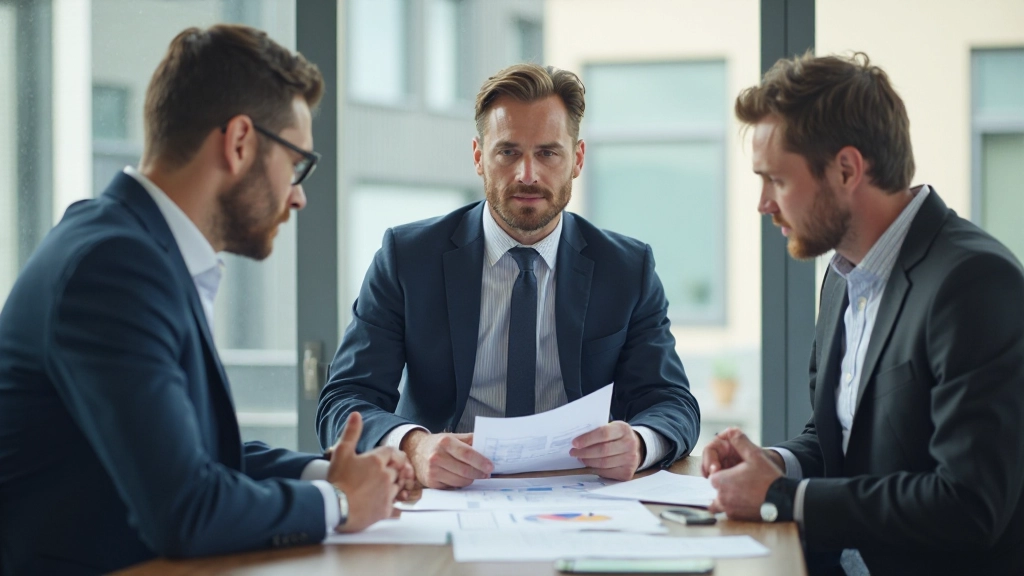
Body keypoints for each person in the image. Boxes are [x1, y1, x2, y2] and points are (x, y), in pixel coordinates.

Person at [0, 24, 413, 576]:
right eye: (296, 164)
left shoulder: (132, 246)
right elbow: (186, 508)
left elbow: (196, 459)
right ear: (240, 142)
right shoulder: (115, 269)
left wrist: (337, 473)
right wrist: (339, 503)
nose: (299, 195)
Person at [702, 52, 1024, 576]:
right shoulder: (843, 273)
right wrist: (772, 465)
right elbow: (843, 439)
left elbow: (969, 504)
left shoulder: (974, 283)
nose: (764, 204)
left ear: (847, 169)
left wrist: (785, 498)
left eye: (776, 180)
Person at [316, 63, 700, 489]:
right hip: (445, 494)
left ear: (578, 159)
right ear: (480, 157)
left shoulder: (627, 268)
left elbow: (671, 402)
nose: (528, 175)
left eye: (548, 153)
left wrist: (641, 443)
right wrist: (414, 447)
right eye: (508, 152)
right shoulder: (407, 258)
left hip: (584, 496)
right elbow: (344, 401)